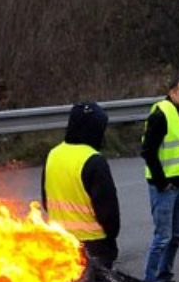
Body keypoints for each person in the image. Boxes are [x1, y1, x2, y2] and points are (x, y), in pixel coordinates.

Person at [41, 102, 120, 268]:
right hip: (93, 245)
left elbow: (46, 200)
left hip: (59, 241)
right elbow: (107, 210)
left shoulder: (53, 154)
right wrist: (111, 238)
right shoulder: (93, 160)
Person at [141, 76, 179, 282]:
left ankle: (164, 279)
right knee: (162, 237)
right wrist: (162, 181)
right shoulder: (161, 114)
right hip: (164, 186)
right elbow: (148, 151)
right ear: (172, 93)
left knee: (175, 237)